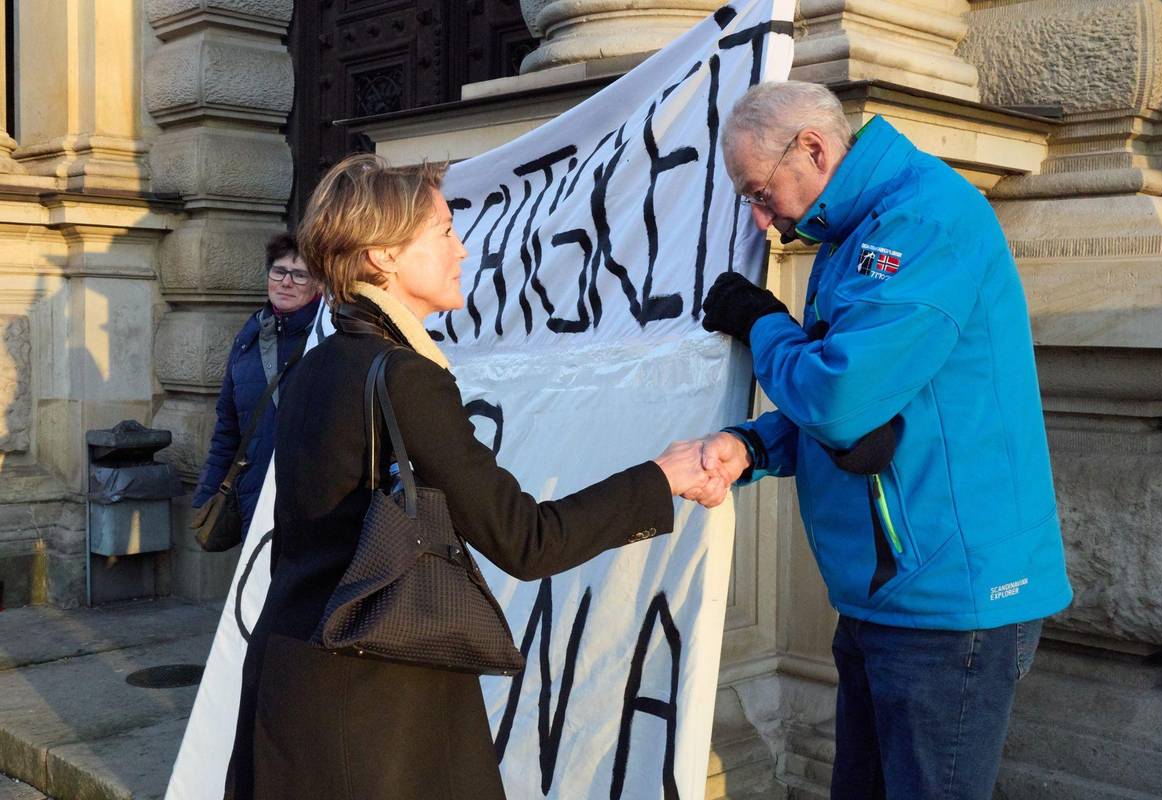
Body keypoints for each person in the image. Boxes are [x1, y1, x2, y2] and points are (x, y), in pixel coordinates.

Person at [224, 153, 721, 799]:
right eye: (445, 232)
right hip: (375, 710)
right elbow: (527, 540)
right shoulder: (405, 377)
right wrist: (663, 476)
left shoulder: (318, 364)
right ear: (383, 256)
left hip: (296, 684)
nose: (462, 250)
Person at [695, 81, 1073, 799]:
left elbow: (839, 399)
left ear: (812, 147)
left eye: (759, 192)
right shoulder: (854, 230)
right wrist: (753, 446)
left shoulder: (925, 220)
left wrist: (762, 321)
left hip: (947, 603)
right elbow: (877, 409)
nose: (758, 219)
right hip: (891, 593)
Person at [193, 234, 322, 542]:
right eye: (279, 271)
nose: (286, 282)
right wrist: (207, 495)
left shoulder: (325, 337)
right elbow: (228, 428)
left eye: (300, 274)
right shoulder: (248, 340)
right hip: (255, 496)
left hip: (310, 502)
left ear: (319, 284)